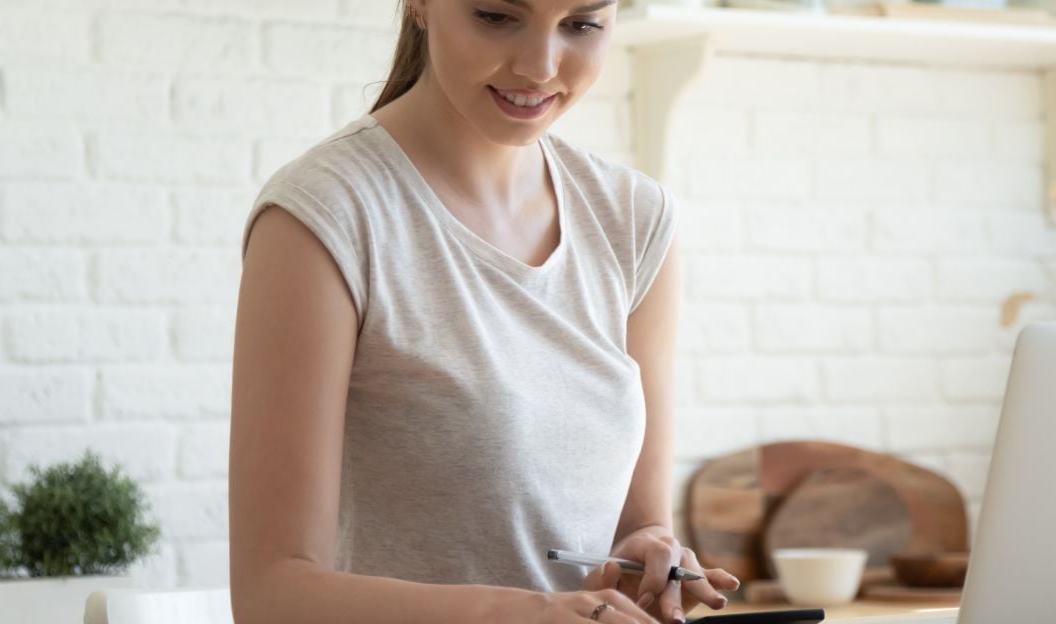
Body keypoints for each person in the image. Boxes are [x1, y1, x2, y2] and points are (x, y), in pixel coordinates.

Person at [228, 0, 740, 621]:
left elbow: (638, 528)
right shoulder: (326, 215)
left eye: (582, 24)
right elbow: (272, 594)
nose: (540, 66)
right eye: (496, 16)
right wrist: (512, 614)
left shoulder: (632, 218)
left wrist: (646, 556)